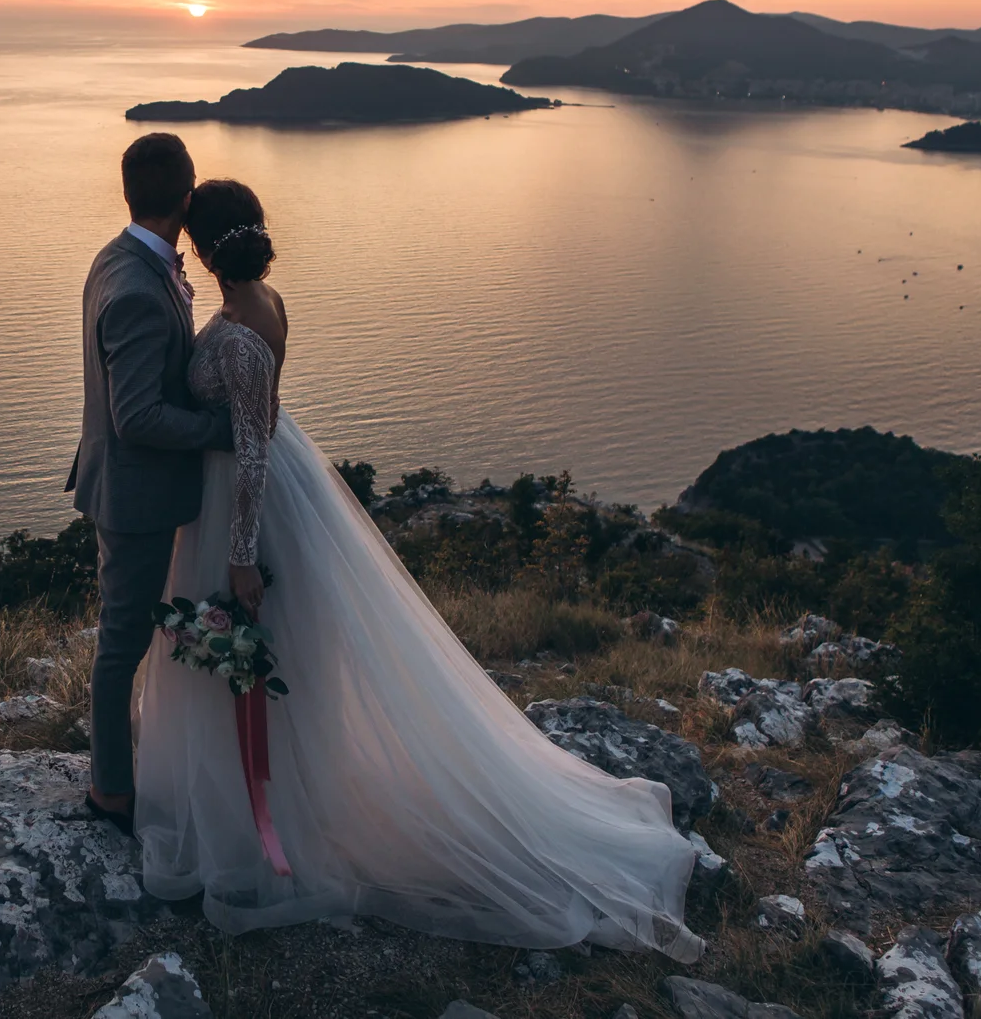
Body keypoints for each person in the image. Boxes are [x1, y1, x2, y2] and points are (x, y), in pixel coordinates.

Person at [132, 177, 706, 963]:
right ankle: (275, 800)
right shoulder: (265, 299)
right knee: (291, 664)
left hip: (247, 503)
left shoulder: (236, 331)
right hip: (275, 488)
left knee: (263, 661)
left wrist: (239, 558)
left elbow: (253, 447)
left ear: (202, 243)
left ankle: (267, 820)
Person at [67, 132, 233, 833]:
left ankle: (133, 768)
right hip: (135, 496)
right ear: (188, 196)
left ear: (130, 193)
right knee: (121, 645)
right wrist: (215, 430)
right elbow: (136, 415)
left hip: (132, 486)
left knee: (129, 637)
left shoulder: (121, 256)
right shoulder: (138, 284)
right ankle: (111, 793)